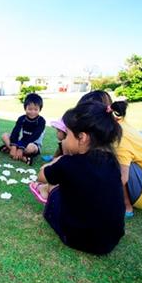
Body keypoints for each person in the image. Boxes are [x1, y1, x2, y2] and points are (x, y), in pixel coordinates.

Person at [35, 101, 125, 255]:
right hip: (109, 241)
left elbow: (41, 176)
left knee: (55, 191)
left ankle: (46, 193)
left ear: (82, 137)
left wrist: (59, 159)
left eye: (67, 134)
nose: (63, 140)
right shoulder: (113, 161)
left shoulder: (68, 163)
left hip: (76, 238)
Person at [77, 91, 142, 217]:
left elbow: (122, 177)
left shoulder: (118, 137)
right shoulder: (115, 124)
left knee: (106, 160)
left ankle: (126, 206)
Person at [0, 93, 46, 165]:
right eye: (30, 109)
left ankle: (11, 150)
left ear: (40, 109)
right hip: (20, 142)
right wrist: (14, 146)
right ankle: (21, 156)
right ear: (25, 108)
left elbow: (35, 136)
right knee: (4, 135)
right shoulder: (22, 118)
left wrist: (21, 148)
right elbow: (16, 131)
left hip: (33, 144)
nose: (32, 112)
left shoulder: (41, 121)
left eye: (36, 109)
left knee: (30, 148)